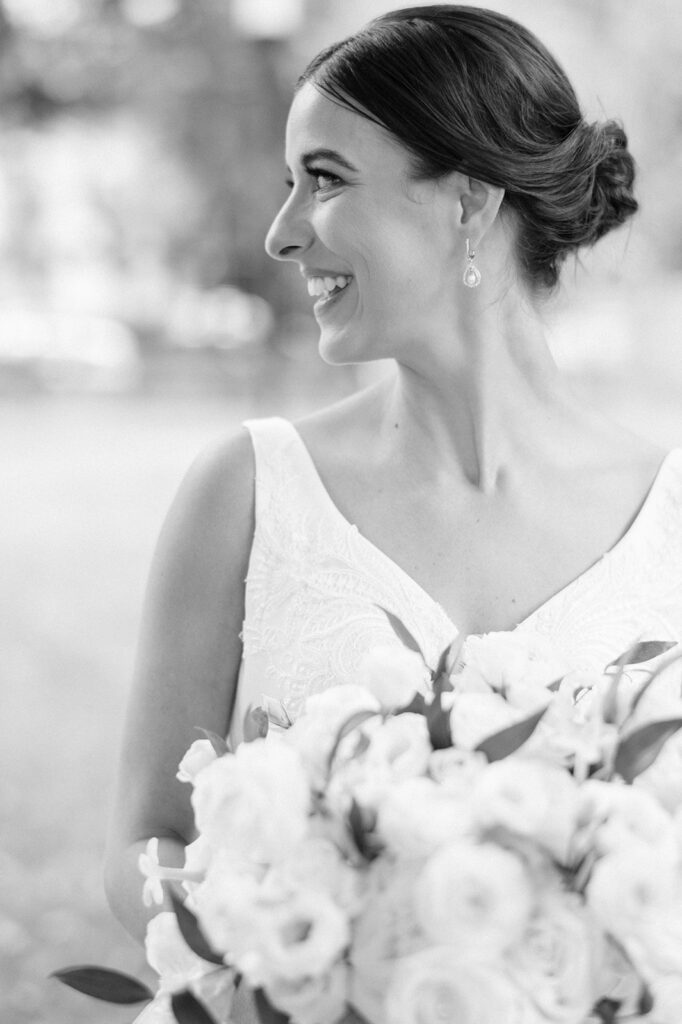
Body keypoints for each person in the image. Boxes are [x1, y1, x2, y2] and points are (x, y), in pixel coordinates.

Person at [104, 4, 682, 1019]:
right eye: (291, 184)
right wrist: (277, 951)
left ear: (464, 199)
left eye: (322, 179)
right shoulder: (243, 492)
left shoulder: (670, 511)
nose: (281, 234)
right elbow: (145, 833)